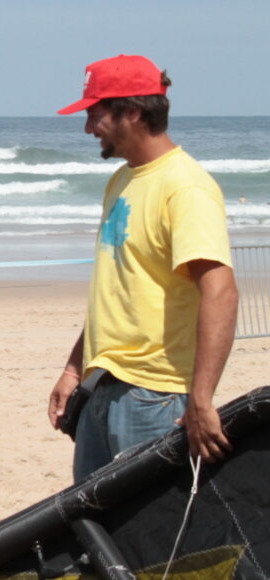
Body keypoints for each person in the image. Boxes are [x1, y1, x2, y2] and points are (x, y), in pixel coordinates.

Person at [47, 55, 238, 482]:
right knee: (97, 531)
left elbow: (221, 291)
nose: (87, 127)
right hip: (103, 386)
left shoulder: (185, 187)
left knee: (150, 537)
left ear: (132, 112)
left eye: (95, 114)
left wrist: (202, 400)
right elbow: (117, 292)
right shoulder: (122, 180)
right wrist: (75, 368)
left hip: (156, 396)